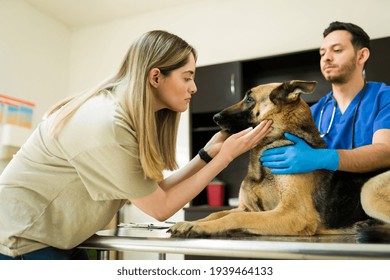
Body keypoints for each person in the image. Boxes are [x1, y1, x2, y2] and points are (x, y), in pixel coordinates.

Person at [0, 30, 273, 260]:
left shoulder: (125, 119)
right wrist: (224, 158)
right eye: (187, 77)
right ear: (155, 77)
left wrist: (206, 155)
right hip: (22, 241)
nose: (194, 88)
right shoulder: (105, 123)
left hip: (58, 239)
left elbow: (153, 191)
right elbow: (160, 207)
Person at [261, 22, 390, 223]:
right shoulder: (314, 112)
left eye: (337, 50)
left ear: (361, 55)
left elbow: (385, 151)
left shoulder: (384, 98)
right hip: (337, 209)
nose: (326, 58)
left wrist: (324, 158)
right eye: (322, 53)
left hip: (379, 199)